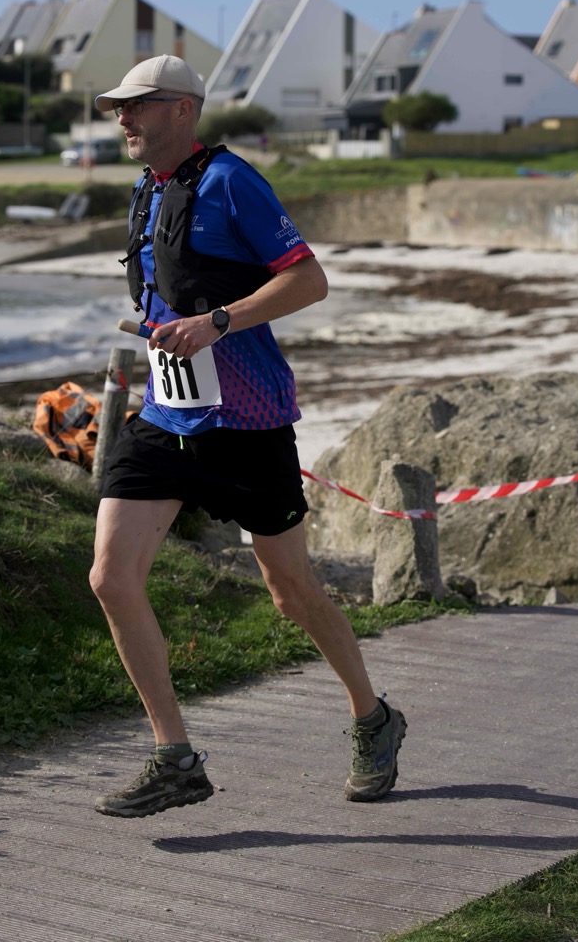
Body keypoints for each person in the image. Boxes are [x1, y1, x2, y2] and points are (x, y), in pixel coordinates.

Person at [90, 54, 406, 819]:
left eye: (139, 104)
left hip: (249, 420)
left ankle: (373, 718)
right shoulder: (146, 189)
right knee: (110, 577)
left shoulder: (232, 181)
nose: (123, 117)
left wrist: (217, 322)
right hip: (167, 418)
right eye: (118, 107)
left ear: (183, 109)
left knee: (290, 592)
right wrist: (164, 329)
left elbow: (308, 280)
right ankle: (175, 758)